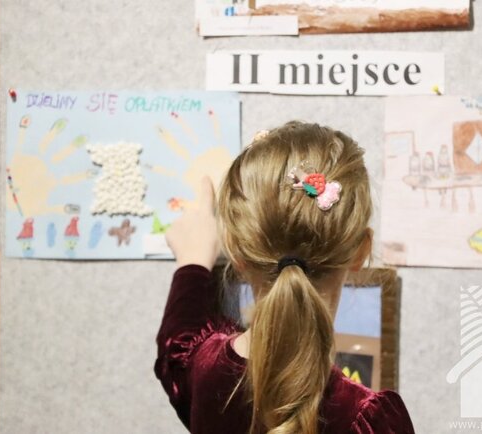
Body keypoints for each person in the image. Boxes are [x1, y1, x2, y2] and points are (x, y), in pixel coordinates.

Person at [155, 121, 415, 434]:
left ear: (236, 252)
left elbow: (177, 341)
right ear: (361, 251)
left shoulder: (201, 370)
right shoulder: (368, 420)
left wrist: (192, 262)